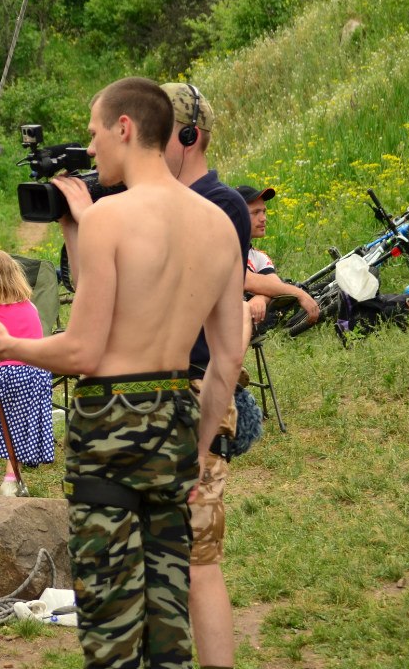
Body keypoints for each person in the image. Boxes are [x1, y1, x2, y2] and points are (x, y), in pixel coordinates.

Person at [0, 77, 244, 669]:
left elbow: (85, 351)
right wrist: (196, 446)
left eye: (93, 133)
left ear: (125, 128)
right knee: (169, 619)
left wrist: (8, 342)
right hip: (175, 415)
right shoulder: (219, 225)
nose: (89, 150)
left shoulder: (112, 218)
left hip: (110, 426)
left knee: (111, 623)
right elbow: (226, 359)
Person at [161, 81, 250, 669]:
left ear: (189, 138)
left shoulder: (220, 204)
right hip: (152, 390)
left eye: (156, 134)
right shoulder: (152, 200)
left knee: (196, 560)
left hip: (194, 386)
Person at [0, 249, 55, 497]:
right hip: (37, 374)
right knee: (16, 426)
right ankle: (9, 479)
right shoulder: (31, 307)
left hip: (10, 374)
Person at [237, 184, 320, 331]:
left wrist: (261, 298)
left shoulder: (259, 256)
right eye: (255, 212)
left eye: (264, 211)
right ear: (236, 215)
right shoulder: (223, 250)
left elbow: (276, 286)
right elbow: (245, 279)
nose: (264, 218)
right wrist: (300, 294)